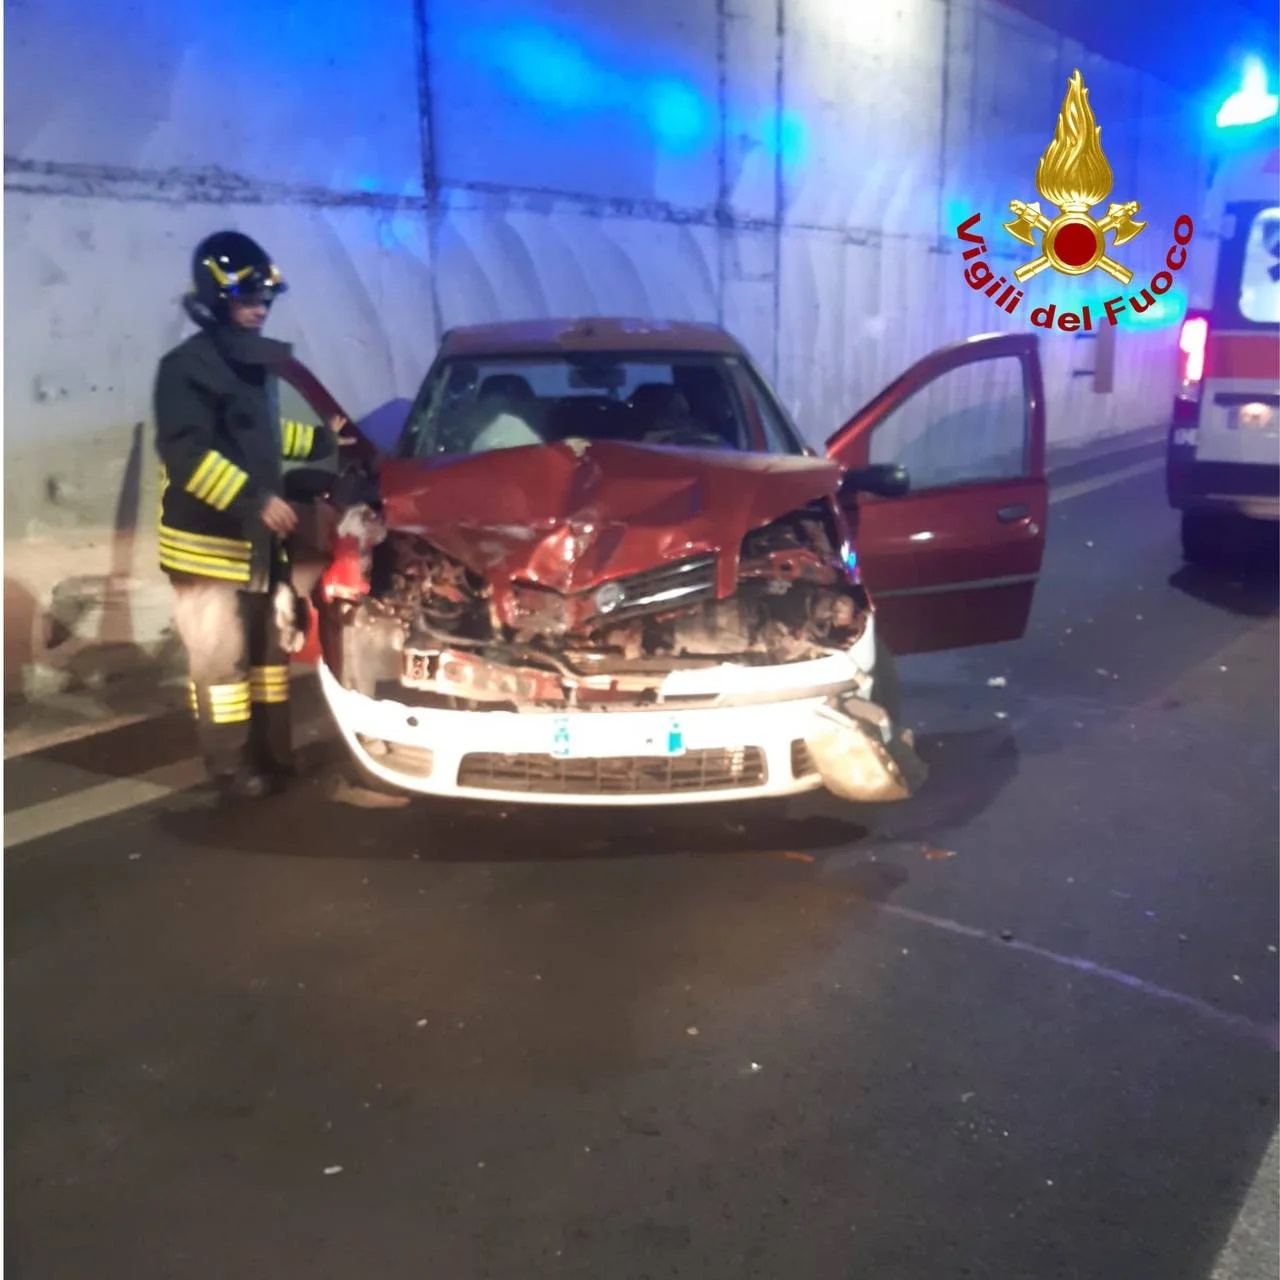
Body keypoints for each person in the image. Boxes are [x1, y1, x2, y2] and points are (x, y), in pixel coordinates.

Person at [153, 230, 349, 799]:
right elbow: (187, 456)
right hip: (208, 553)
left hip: (256, 547)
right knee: (223, 667)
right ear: (217, 299)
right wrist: (255, 500)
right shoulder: (186, 369)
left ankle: (272, 756)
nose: (260, 309)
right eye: (248, 299)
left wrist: (323, 441)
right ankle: (230, 766)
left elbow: (257, 437)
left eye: (265, 299)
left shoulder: (250, 364)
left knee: (267, 661)